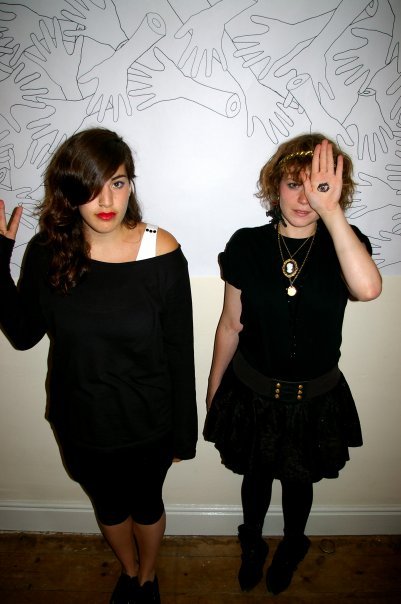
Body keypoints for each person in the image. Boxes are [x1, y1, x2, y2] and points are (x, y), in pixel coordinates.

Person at [0, 127, 198, 604]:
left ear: (131, 185)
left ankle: (148, 577)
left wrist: (183, 435)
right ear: (70, 191)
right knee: (108, 508)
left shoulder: (162, 251)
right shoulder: (48, 251)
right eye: (92, 186)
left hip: (147, 423)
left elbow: (180, 351)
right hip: (80, 421)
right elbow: (23, 335)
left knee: (146, 507)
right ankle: (128, 573)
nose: (107, 200)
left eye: (118, 182)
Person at [204, 133, 382, 595]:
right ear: (274, 187)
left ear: (336, 191)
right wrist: (214, 387)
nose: (305, 199)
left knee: (299, 482)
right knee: (255, 478)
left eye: (318, 187)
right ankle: (252, 542)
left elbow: (367, 289)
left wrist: (332, 212)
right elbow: (230, 324)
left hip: (314, 398)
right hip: (252, 392)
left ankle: (293, 543)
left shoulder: (345, 243)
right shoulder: (246, 244)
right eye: (293, 184)